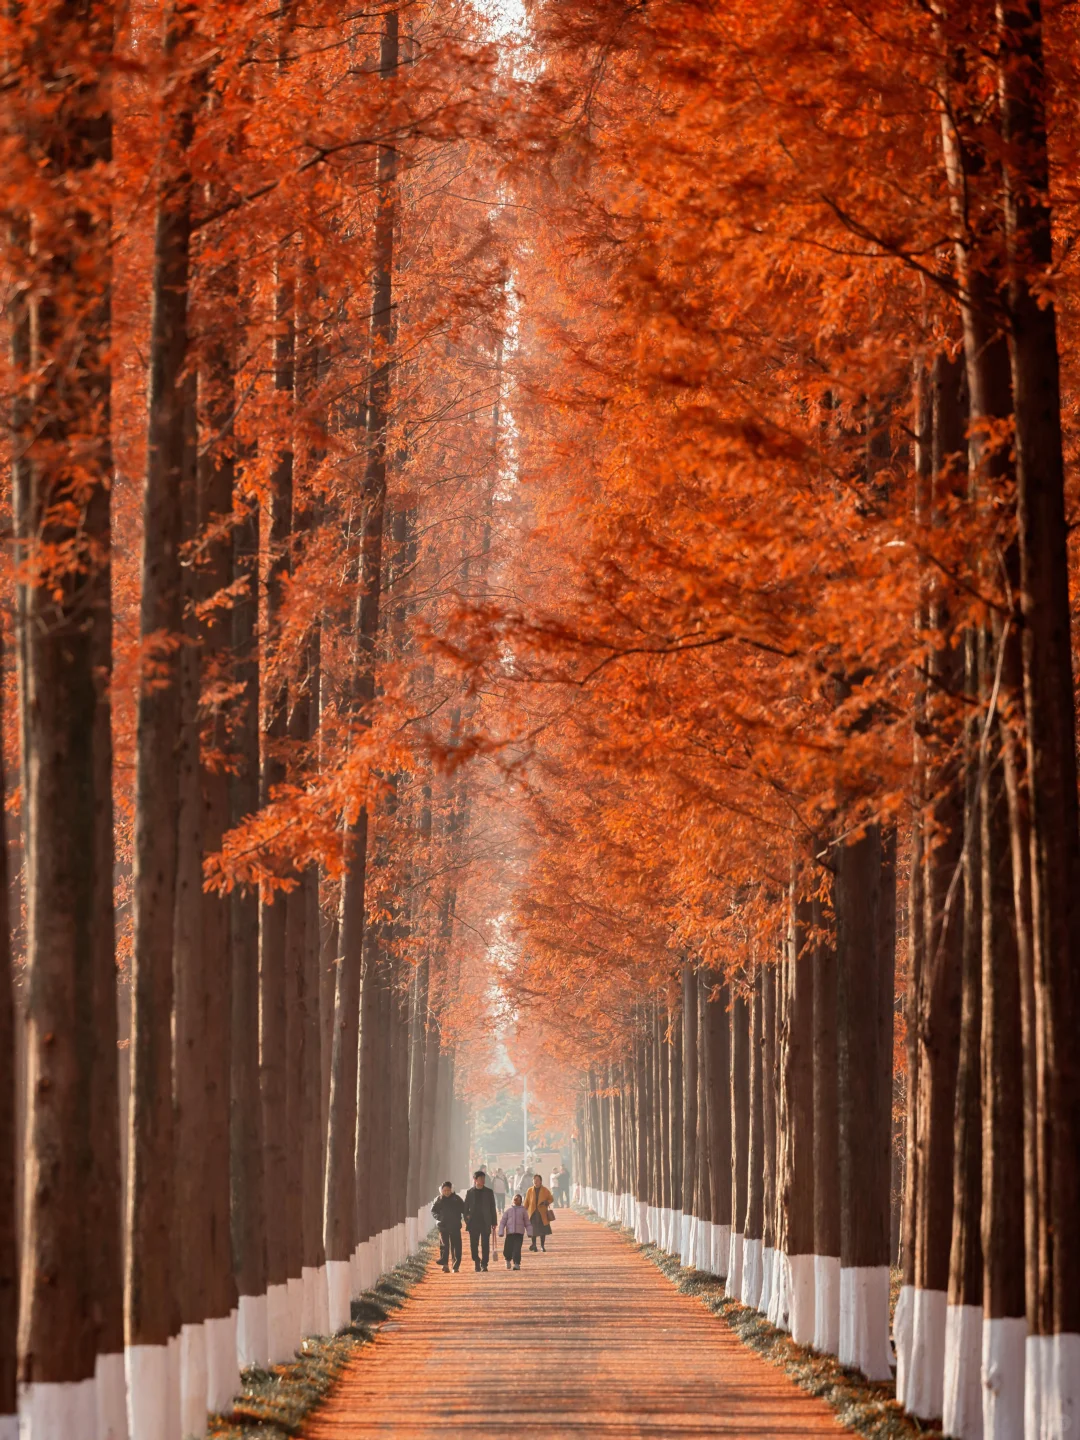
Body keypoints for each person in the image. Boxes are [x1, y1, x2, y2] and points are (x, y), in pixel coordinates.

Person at [463, 1169, 499, 1271]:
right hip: (473, 1222)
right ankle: (476, 1261)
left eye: (484, 1178)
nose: (483, 1180)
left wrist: (494, 1222)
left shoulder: (489, 1192)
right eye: (480, 1178)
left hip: (485, 1221)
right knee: (474, 1244)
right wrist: (467, 1219)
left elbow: (492, 1207)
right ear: (475, 1180)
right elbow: (465, 1208)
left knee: (485, 1244)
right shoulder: (470, 1192)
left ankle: (484, 1264)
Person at [431, 1181, 465, 1272]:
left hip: (455, 1226)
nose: (446, 1192)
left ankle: (456, 1265)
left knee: (456, 1247)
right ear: (441, 1191)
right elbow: (433, 1211)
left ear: (452, 1190)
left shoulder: (457, 1199)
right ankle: (445, 1265)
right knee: (444, 1246)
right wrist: (439, 1217)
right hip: (443, 1226)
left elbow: (464, 1209)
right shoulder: (438, 1200)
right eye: (444, 1190)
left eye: (448, 1190)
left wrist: (467, 1217)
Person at [498, 1192, 530, 1269]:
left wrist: (530, 1232)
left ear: (521, 1201)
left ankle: (517, 1263)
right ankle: (507, 1260)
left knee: (517, 1249)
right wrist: (501, 1231)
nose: (516, 1200)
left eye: (518, 1199)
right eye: (515, 1199)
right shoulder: (508, 1210)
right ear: (512, 1200)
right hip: (510, 1233)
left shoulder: (523, 1211)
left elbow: (527, 1222)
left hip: (519, 1234)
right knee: (507, 1249)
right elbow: (503, 1222)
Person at [525, 1172, 555, 1252]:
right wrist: (523, 1211)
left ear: (541, 1181)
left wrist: (546, 1202)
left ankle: (542, 1246)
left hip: (542, 1213)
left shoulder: (545, 1190)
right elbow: (526, 1202)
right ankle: (534, 1245)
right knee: (533, 1231)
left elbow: (551, 1199)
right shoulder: (529, 1190)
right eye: (534, 1180)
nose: (535, 1181)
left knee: (542, 1231)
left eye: (537, 1180)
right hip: (533, 1213)